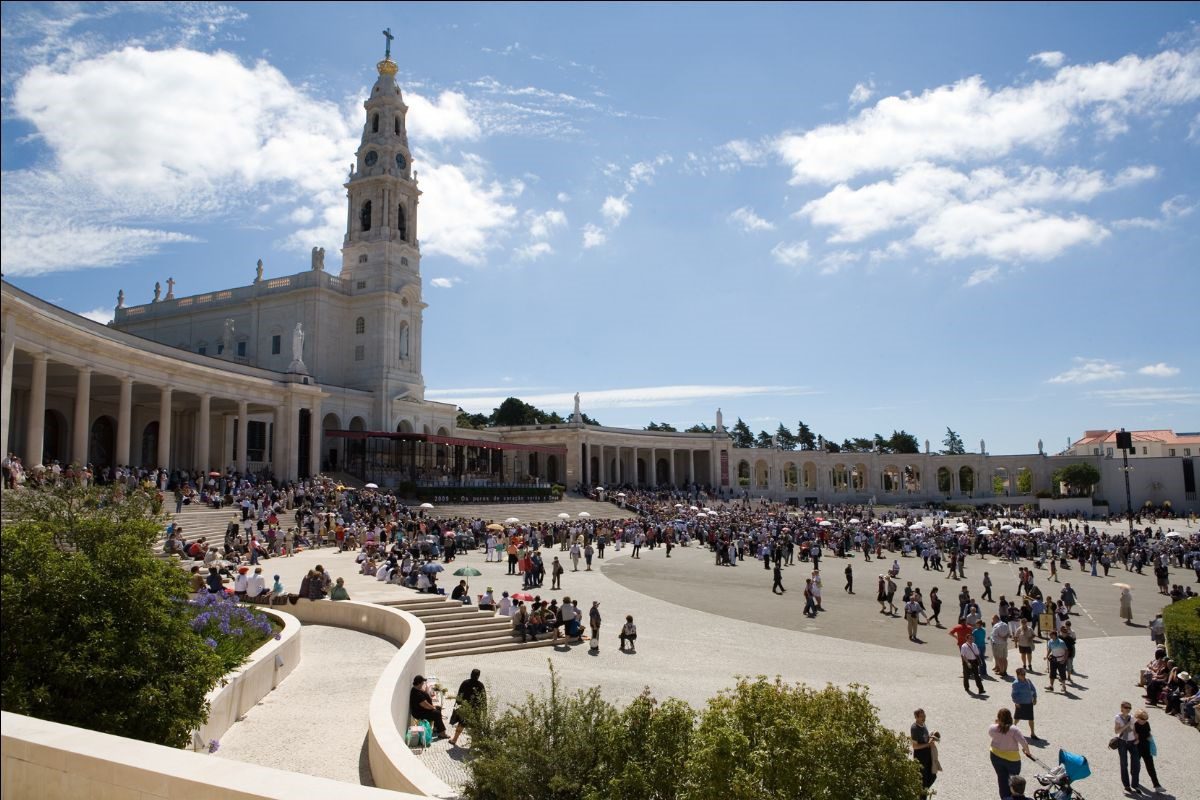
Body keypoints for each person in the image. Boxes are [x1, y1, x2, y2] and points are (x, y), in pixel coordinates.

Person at [988, 708, 1031, 800]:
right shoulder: (1014, 730)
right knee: (1013, 781)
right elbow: (1024, 743)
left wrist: (996, 723)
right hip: (1012, 759)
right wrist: (1027, 752)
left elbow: (991, 734)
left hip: (995, 756)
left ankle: (1005, 797)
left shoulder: (993, 728)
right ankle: (1014, 796)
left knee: (1001, 778)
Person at [448, 668, 486, 747]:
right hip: (476, 709)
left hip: (465, 708)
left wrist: (456, 706)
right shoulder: (480, 685)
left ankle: (454, 740)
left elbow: (459, 696)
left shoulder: (465, 683)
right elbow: (483, 699)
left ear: (471, 674)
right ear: (478, 676)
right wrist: (484, 710)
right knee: (474, 726)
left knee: (461, 724)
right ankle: (473, 744)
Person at [1131, 708, 1164, 793]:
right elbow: (1134, 736)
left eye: (1146, 719)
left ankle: (1157, 785)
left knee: (1151, 767)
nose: (1145, 721)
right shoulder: (1134, 725)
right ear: (1137, 717)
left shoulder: (1146, 724)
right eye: (1143, 719)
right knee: (1135, 766)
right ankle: (1135, 782)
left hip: (1146, 747)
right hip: (1136, 748)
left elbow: (1148, 733)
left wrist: (1147, 737)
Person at [910, 708, 940, 796]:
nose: (923, 718)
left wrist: (931, 736)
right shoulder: (914, 728)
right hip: (920, 759)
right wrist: (928, 744)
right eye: (921, 716)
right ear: (916, 717)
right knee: (922, 783)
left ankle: (920, 793)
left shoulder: (923, 724)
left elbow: (925, 738)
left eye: (924, 716)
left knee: (932, 776)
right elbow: (914, 746)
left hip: (927, 757)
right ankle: (920, 795)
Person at [410, 675, 447, 739]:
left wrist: (433, 706)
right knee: (437, 713)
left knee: (438, 708)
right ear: (418, 683)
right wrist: (433, 707)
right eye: (422, 683)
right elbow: (424, 704)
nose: (423, 684)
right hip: (419, 713)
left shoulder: (417, 688)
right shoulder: (416, 694)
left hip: (422, 710)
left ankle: (436, 728)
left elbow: (425, 697)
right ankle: (442, 734)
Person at [1114, 700, 1139, 793]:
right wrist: (1127, 724)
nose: (1128, 709)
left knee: (1136, 763)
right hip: (1122, 742)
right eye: (1126, 707)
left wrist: (1137, 738)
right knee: (1124, 764)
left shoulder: (1132, 717)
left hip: (1133, 742)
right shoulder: (1118, 718)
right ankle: (1127, 785)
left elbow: (1134, 729)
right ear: (1122, 708)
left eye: (1129, 708)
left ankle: (1135, 784)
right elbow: (1117, 731)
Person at [1010, 667, 1040, 741]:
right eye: (1022, 674)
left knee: (1031, 719)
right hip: (1020, 703)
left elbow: (1033, 689)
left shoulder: (1028, 681)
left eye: (1024, 674)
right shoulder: (1015, 684)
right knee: (1017, 718)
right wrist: (1016, 702)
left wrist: (1035, 698)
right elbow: (1014, 695)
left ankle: (1032, 733)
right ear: (1018, 675)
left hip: (1029, 703)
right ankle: (1011, 731)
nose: (1024, 676)